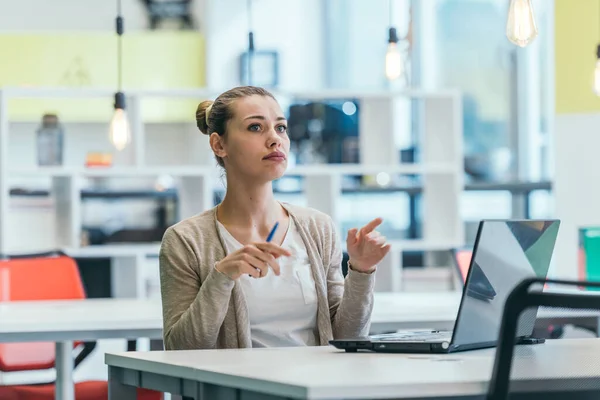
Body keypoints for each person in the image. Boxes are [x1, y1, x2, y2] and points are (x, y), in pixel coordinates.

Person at [159, 86, 391, 350]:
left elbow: (346, 338)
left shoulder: (317, 227)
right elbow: (181, 350)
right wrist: (221, 276)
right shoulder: (185, 240)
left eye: (280, 128)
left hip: (316, 387)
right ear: (219, 144)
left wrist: (361, 270)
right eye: (255, 128)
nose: (275, 139)